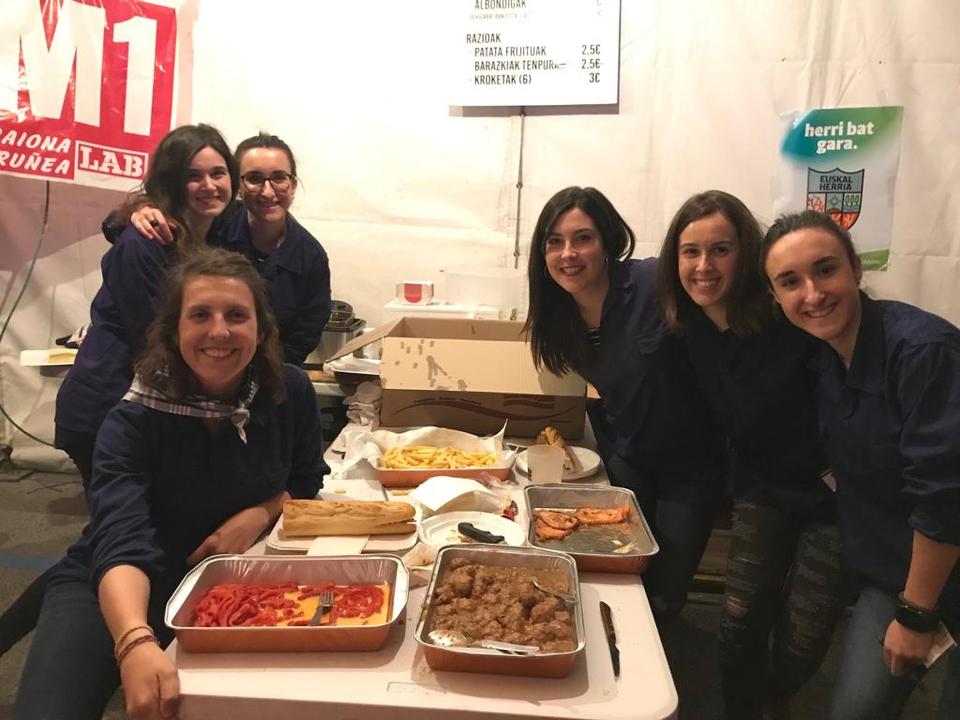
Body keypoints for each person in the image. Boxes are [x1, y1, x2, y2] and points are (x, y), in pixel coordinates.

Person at [13, 248, 327, 720]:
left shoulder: (289, 391)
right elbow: (122, 541)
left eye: (236, 315)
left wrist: (260, 513)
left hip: (226, 581)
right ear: (173, 330)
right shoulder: (133, 420)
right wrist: (133, 639)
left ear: (261, 329)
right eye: (200, 315)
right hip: (124, 582)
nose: (219, 331)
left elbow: (305, 479)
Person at [0, 124, 238, 659]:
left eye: (218, 172)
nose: (208, 185)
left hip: (142, 407)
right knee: (116, 543)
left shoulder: (207, 231)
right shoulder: (146, 240)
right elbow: (156, 338)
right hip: (107, 412)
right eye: (193, 175)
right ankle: (114, 650)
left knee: (114, 541)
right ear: (170, 180)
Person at [762, 210, 960, 720]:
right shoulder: (827, 359)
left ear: (855, 268)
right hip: (895, 570)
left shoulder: (922, 351)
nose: (812, 293)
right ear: (775, 296)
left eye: (825, 269)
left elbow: (944, 495)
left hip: (934, 567)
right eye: (790, 282)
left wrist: (916, 615)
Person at [655, 191, 845, 718]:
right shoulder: (688, 327)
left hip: (832, 500)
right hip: (762, 489)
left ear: (747, 254)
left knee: (802, 639)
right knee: (738, 619)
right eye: (691, 252)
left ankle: (774, 699)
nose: (704, 266)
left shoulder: (790, 320)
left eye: (721, 249)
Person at [524, 186, 725, 621]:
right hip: (628, 454)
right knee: (620, 569)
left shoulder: (655, 282)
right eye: (554, 242)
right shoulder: (559, 313)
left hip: (690, 466)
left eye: (583, 238)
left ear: (607, 241)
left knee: (666, 588)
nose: (568, 254)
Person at [127, 132, 332, 366]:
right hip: (189, 367)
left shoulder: (311, 257)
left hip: (265, 377)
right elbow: (140, 223)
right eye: (254, 178)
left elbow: (303, 337)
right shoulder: (213, 221)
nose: (268, 191)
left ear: (292, 184)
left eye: (279, 177)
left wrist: (254, 377)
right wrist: (141, 210)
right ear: (238, 184)